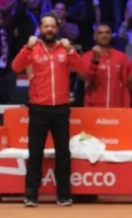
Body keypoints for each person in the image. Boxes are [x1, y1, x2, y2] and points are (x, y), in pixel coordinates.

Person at [10, 14, 84, 207]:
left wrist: (71, 50)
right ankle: (31, 195)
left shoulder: (64, 49)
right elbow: (16, 66)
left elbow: (82, 68)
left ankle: (64, 195)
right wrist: (26, 47)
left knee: (63, 153)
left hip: (60, 108)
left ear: (57, 29)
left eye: (52, 26)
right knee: (35, 153)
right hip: (38, 108)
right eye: (46, 26)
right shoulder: (32, 49)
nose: (49, 30)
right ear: (41, 29)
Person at [81, 23, 130, 108]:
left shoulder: (121, 57)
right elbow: (88, 80)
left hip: (116, 108)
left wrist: (126, 107)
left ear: (111, 36)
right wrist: (95, 61)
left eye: (107, 33)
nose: (104, 35)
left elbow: (126, 86)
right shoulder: (86, 57)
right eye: (100, 33)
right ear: (95, 36)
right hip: (94, 108)